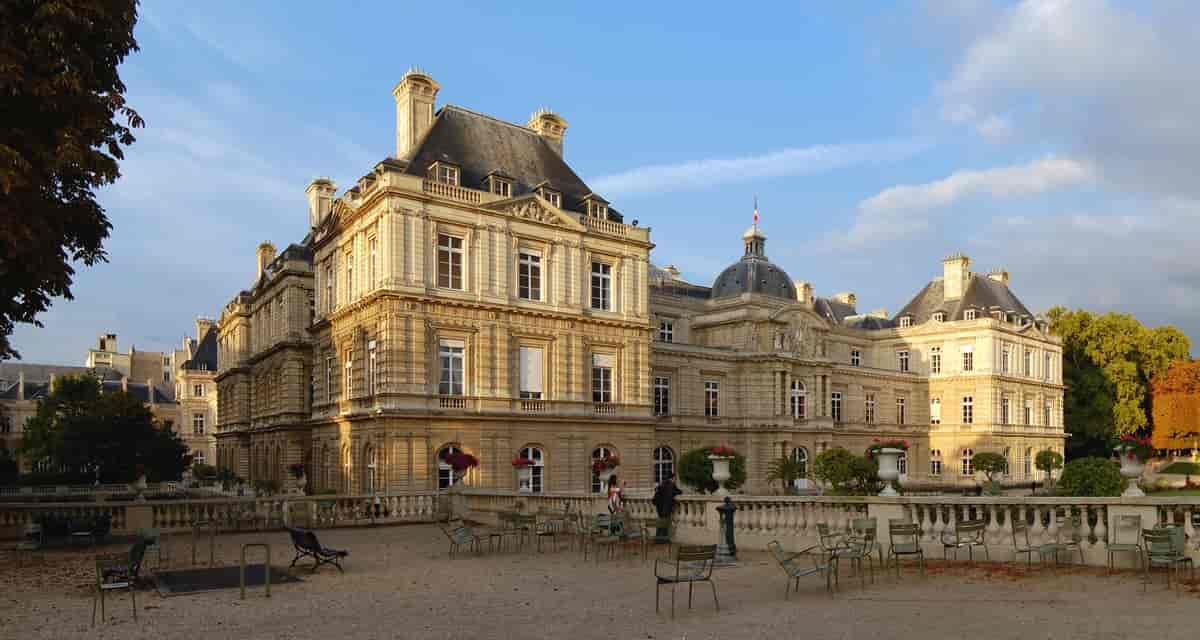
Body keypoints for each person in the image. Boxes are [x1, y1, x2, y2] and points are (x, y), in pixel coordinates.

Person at [652, 473, 682, 542]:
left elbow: (656, 493)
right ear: (672, 478)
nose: (675, 480)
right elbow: (678, 491)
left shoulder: (661, 484)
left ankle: (658, 538)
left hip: (659, 507)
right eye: (674, 478)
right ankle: (664, 539)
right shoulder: (671, 485)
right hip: (666, 507)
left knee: (660, 523)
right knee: (666, 523)